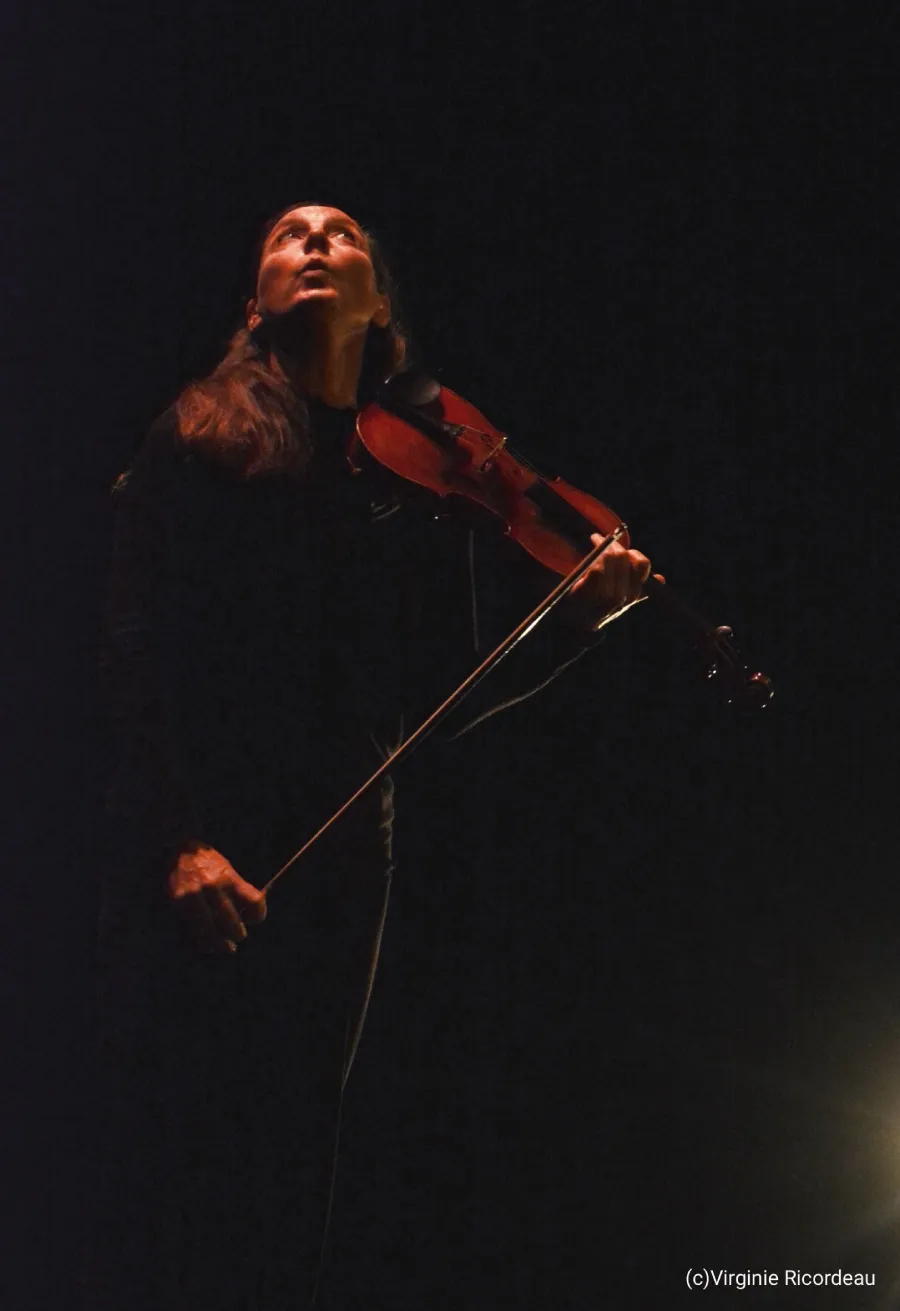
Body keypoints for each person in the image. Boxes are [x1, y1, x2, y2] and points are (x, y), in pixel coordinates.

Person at [85, 202, 652, 1310]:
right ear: (256, 300)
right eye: (290, 233)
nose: (315, 241)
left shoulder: (417, 485)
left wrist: (577, 621)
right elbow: (128, 649)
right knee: (164, 1155)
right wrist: (180, 840)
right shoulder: (197, 435)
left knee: (297, 1156)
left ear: (377, 302)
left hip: (345, 849)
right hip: (196, 833)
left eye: (341, 235)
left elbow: (440, 708)